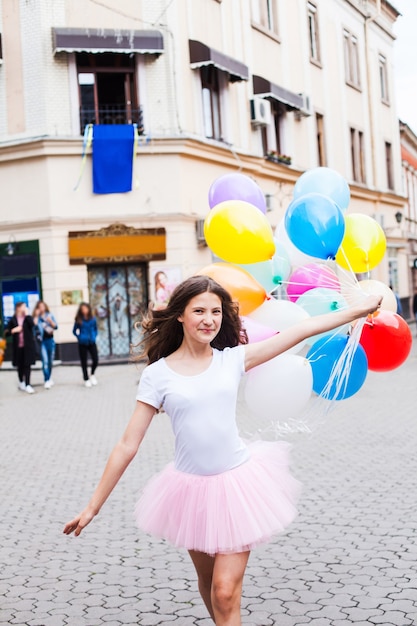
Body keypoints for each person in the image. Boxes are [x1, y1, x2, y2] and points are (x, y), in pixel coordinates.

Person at [64, 277, 381, 625]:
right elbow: (128, 444)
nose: (208, 319)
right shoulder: (158, 376)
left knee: (224, 590)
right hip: (189, 492)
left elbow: (302, 330)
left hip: (236, 486)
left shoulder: (232, 360)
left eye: (215, 311)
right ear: (180, 316)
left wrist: (359, 309)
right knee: (208, 583)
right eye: (198, 310)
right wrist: (93, 506)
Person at [4, 302, 38, 394]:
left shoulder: (27, 318)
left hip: (27, 346)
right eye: (23, 306)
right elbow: (6, 332)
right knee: (20, 366)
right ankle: (21, 382)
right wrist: (13, 330)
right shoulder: (13, 320)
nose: (25, 308)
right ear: (18, 308)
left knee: (27, 365)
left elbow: (32, 325)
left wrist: (27, 315)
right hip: (18, 346)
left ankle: (28, 384)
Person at [72, 302, 98, 388]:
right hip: (82, 343)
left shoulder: (93, 318)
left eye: (85, 309)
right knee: (84, 362)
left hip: (91, 341)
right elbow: (74, 331)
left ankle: (92, 374)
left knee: (95, 359)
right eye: (83, 309)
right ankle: (86, 378)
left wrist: (94, 336)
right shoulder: (79, 319)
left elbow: (95, 329)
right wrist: (79, 337)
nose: (84, 311)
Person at [34, 300, 58, 390]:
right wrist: (36, 316)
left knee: (51, 361)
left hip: (50, 340)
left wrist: (50, 321)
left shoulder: (50, 315)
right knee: (45, 361)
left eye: (43, 306)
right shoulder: (37, 318)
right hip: (42, 341)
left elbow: (56, 327)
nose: (41, 308)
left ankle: (49, 376)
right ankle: (46, 380)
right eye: (39, 307)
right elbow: (34, 326)